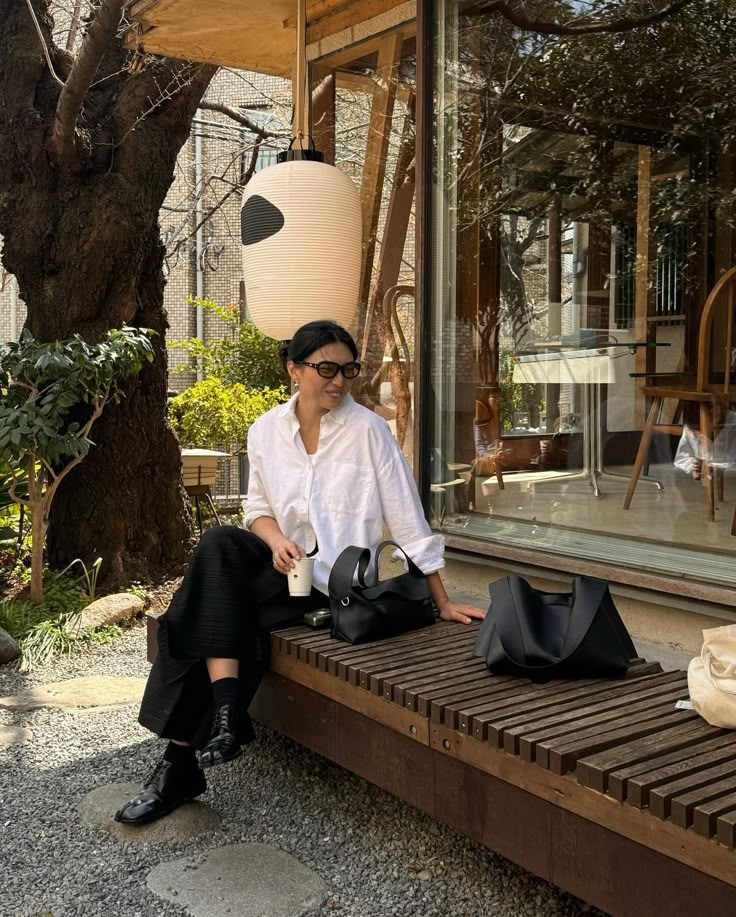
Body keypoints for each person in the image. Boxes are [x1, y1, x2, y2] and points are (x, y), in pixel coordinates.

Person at [115, 320, 485, 825]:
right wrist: (276, 541)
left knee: (200, 610)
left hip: (335, 592)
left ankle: (183, 758)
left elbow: (407, 518)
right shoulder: (266, 430)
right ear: (294, 369)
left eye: (348, 370)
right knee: (220, 545)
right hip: (284, 573)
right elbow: (257, 508)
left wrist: (441, 599)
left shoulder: (370, 432)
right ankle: (225, 716)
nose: (339, 381)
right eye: (326, 368)